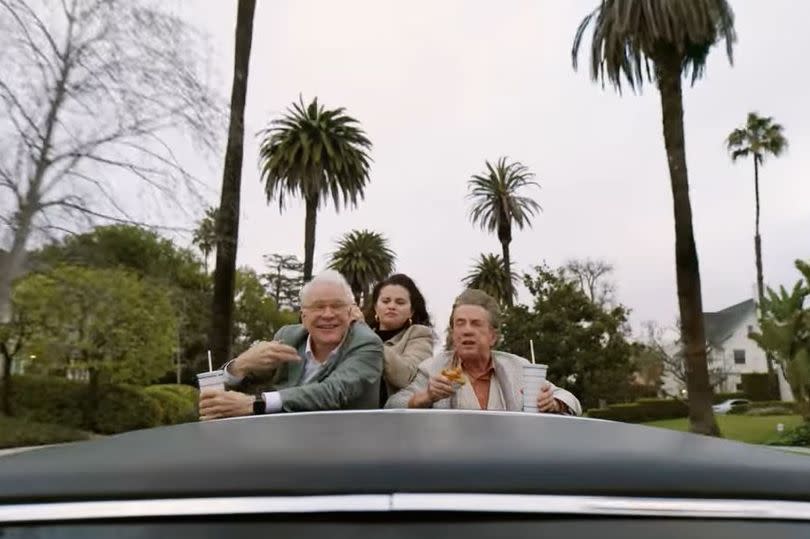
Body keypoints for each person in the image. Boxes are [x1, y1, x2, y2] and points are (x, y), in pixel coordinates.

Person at [199, 270, 383, 419]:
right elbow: (217, 392)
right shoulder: (288, 337)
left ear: (350, 312)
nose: (328, 314)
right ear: (304, 316)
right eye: (318, 307)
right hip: (282, 443)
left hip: (345, 444)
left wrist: (254, 403)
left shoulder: (367, 343)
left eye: (337, 306)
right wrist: (240, 365)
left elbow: (333, 392)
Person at [386, 289, 581, 415]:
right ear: (453, 333)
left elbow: (572, 401)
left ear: (493, 337)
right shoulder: (433, 368)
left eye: (476, 324)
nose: (467, 330)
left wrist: (554, 403)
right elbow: (392, 406)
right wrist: (426, 396)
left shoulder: (519, 367)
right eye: (459, 323)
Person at [364, 273, 436, 402]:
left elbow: (405, 377)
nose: (391, 306)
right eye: (385, 301)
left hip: (395, 416)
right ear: (375, 307)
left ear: (411, 311)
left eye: (400, 302)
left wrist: (370, 340)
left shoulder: (420, 335)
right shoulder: (360, 335)